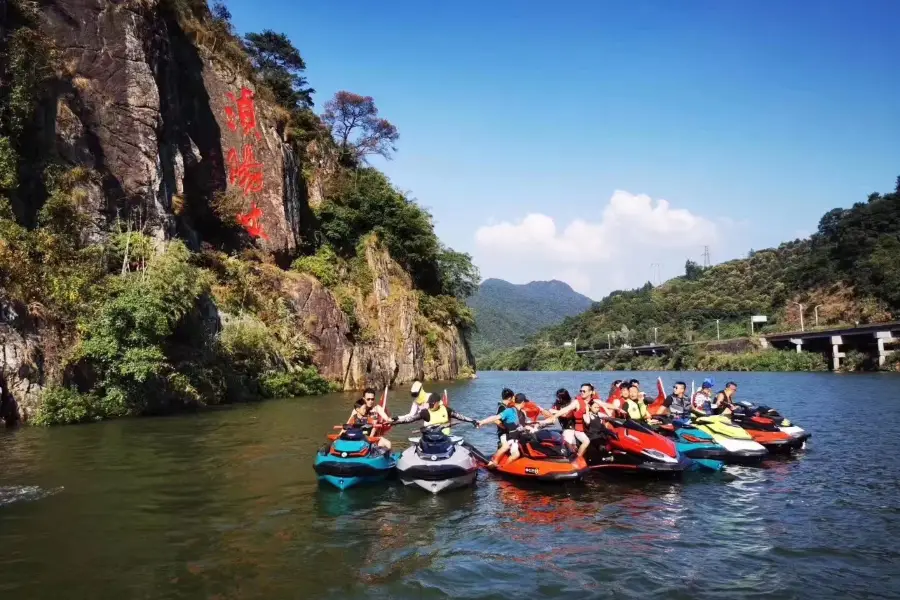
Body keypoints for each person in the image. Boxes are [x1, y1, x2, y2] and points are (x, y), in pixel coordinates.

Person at [478, 393, 533, 468]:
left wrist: (531, 427)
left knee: (516, 454)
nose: (525, 404)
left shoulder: (523, 413)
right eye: (525, 402)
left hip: (515, 439)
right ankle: (493, 462)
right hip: (506, 435)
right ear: (523, 402)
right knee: (506, 446)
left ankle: (505, 467)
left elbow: (522, 425)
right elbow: (495, 418)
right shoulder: (509, 411)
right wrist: (482, 422)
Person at [392, 392, 479, 436]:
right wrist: (396, 422)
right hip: (429, 437)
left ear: (437, 403)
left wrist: (472, 421)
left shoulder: (446, 410)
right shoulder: (425, 413)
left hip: (444, 437)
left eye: (432, 404)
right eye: (429, 404)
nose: (430, 405)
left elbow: (460, 417)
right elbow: (409, 419)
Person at [547, 388, 590, 458]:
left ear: (565, 397)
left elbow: (567, 415)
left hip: (571, 427)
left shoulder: (572, 403)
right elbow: (551, 416)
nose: (558, 399)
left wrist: (555, 412)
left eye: (560, 397)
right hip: (564, 427)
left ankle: (572, 458)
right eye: (558, 397)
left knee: (568, 443)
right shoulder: (556, 404)